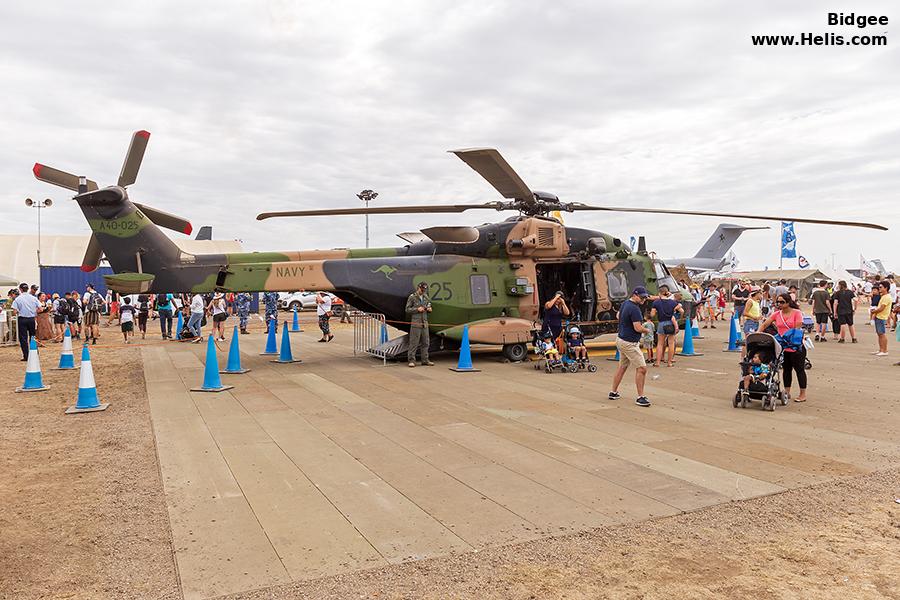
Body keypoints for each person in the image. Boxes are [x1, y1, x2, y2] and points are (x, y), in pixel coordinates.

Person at [609, 287, 652, 407]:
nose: (644, 299)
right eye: (642, 297)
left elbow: (618, 316)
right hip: (629, 343)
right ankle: (640, 397)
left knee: (622, 367)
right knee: (642, 368)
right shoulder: (635, 309)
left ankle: (613, 392)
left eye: (645, 297)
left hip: (621, 339)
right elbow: (638, 328)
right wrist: (647, 330)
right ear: (635, 295)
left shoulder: (625, 304)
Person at [760, 293, 807, 403]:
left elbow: (797, 328)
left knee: (799, 370)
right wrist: (758, 333)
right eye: (778, 302)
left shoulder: (797, 313)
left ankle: (802, 394)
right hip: (782, 347)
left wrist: (786, 338)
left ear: (788, 302)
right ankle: (787, 392)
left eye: (782, 302)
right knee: (786, 370)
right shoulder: (776, 314)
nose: (779, 304)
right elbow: (765, 324)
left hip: (796, 346)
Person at [650, 284, 683, 368]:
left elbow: (652, 314)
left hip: (661, 323)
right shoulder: (673, 302)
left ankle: (657, 362)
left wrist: (656, 311)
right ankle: (669, 362)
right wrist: (676, 315)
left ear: (659, 293)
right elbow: (682, 311)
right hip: (670, 323)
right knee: (671, 343)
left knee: (660, 343)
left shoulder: (656, 302)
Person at [405, 282, 433, 367]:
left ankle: (425, 360)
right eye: (422, 289)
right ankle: (411, 360)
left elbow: (429, 305)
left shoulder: (426, 297)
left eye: (424, 289)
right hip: (416, 323)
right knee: (414, 343)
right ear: (418, 288)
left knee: (426, 342)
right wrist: (417, 309)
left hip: (424, 323)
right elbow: (407, 309)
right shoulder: (412, 297)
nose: (423, 291)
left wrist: (429, 309)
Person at [11, 282, 40, 360]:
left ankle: (26, 356)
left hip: (22, 319)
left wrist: (20, 310)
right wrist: (33, 311)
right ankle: (34, 353)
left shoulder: (18, 299)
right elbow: (40, 308)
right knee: (33, 336)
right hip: (31, 319)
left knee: (23, 338)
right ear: (27, 289)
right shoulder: (34, 298)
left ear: (20, 289)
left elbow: (14, 311)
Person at [870, 281, 892, 356]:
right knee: (879, 334)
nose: (879, 288)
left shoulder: (887, 297)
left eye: (880, 287)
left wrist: (873, 311)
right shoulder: (883, 296)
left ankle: (884, 350)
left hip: (881, 317)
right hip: (879, 316)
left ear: (886, 288)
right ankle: (881, 349)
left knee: (882, 334)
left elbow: (881, 308)